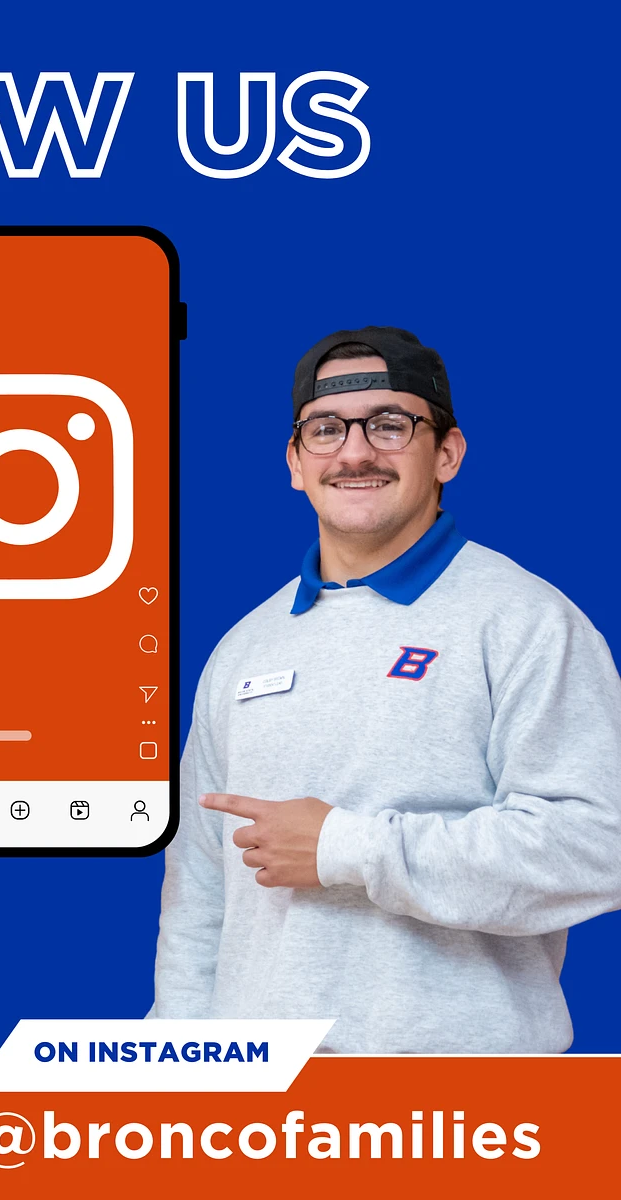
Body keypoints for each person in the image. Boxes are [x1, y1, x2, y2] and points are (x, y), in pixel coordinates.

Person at [151, 326, 621, 1052]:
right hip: (266, 1096)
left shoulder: (525, 622)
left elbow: (598, 846)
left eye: (390, 424)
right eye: (326, 429)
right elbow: (199, 894)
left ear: (447, 453)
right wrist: (178, 1060)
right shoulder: (244, 648)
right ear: (295, 463)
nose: (355, 452)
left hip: (461, 1096)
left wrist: (349, 848)